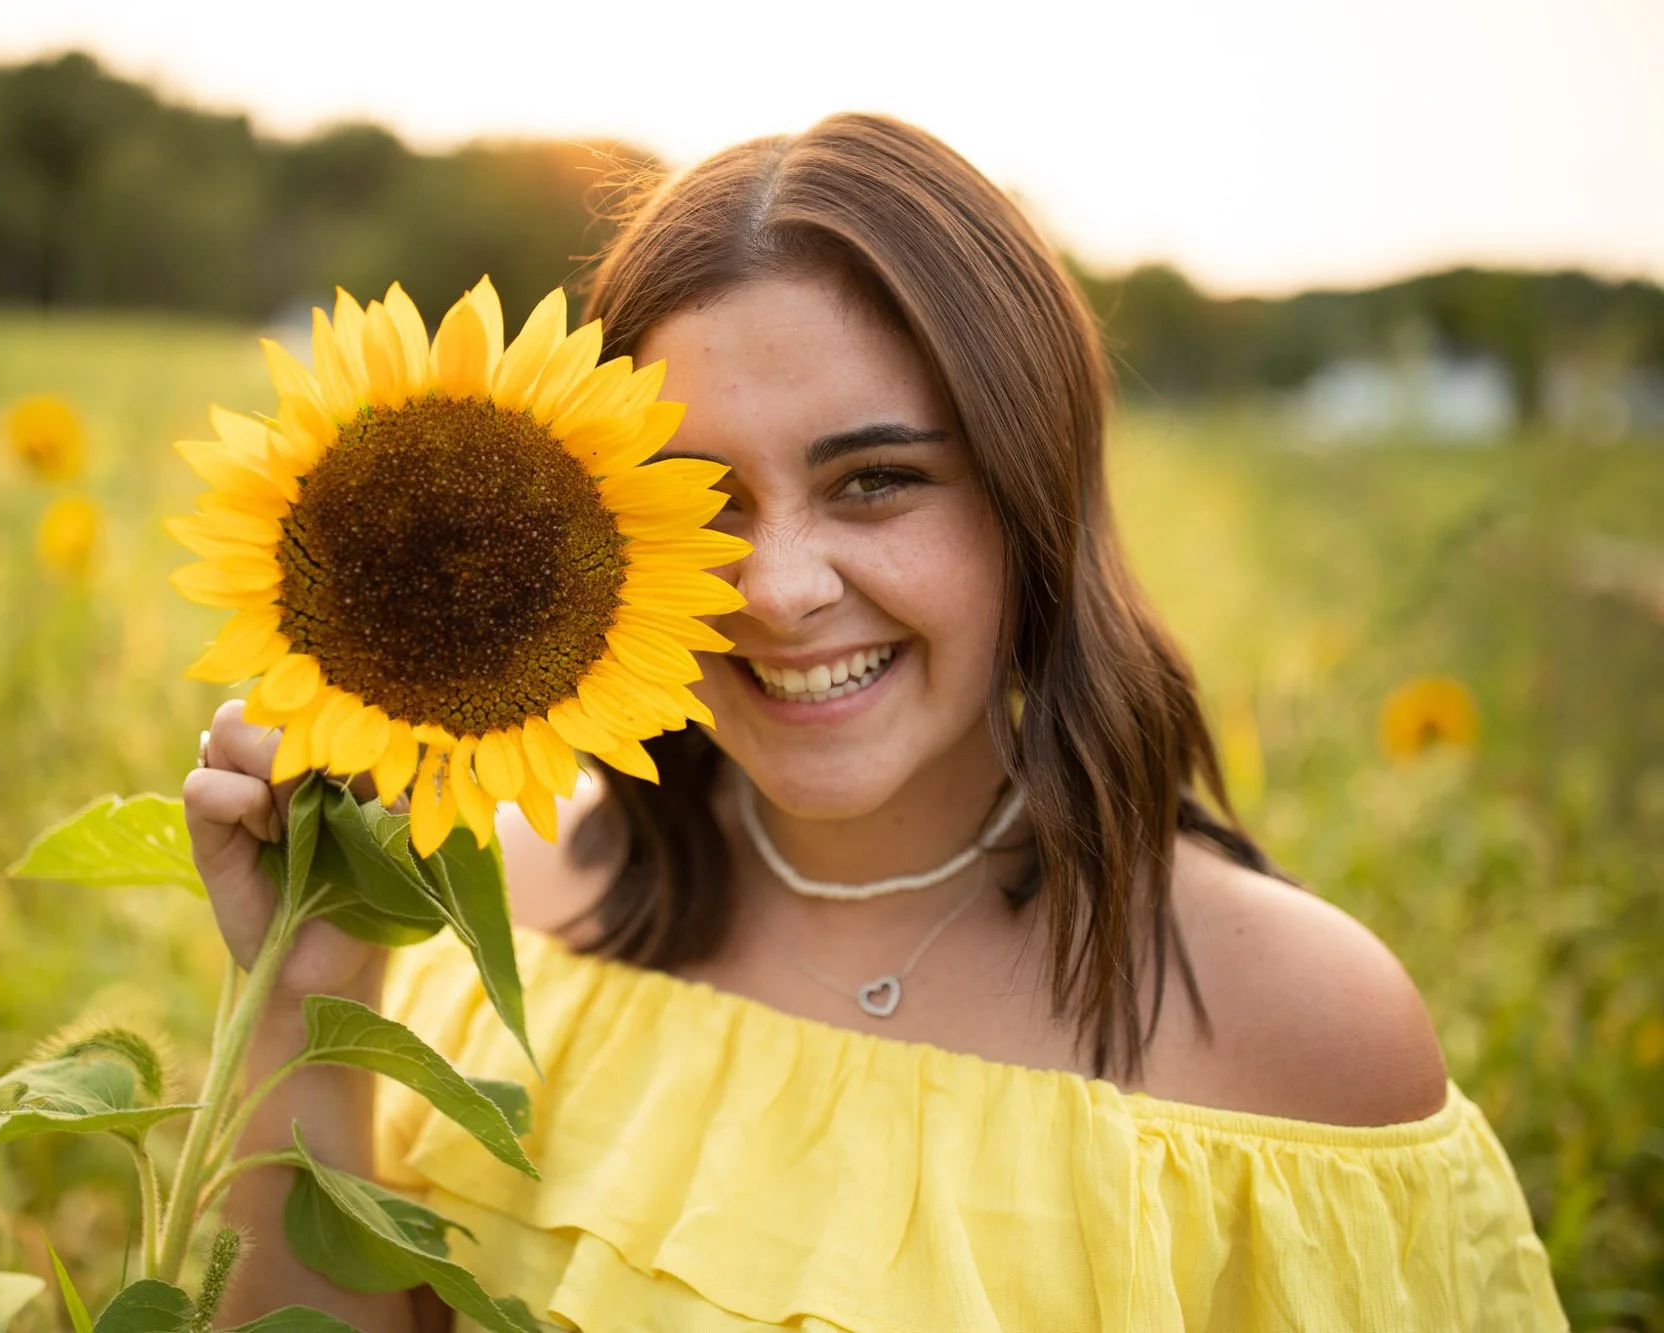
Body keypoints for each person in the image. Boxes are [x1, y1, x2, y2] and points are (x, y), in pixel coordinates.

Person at [184, 113, 1566, 1331]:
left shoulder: (1299, 1032)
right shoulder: (500, 926)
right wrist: (308, 1003)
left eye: (878, 482)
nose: (779, 592)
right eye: (704, 503)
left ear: (1035, 498)